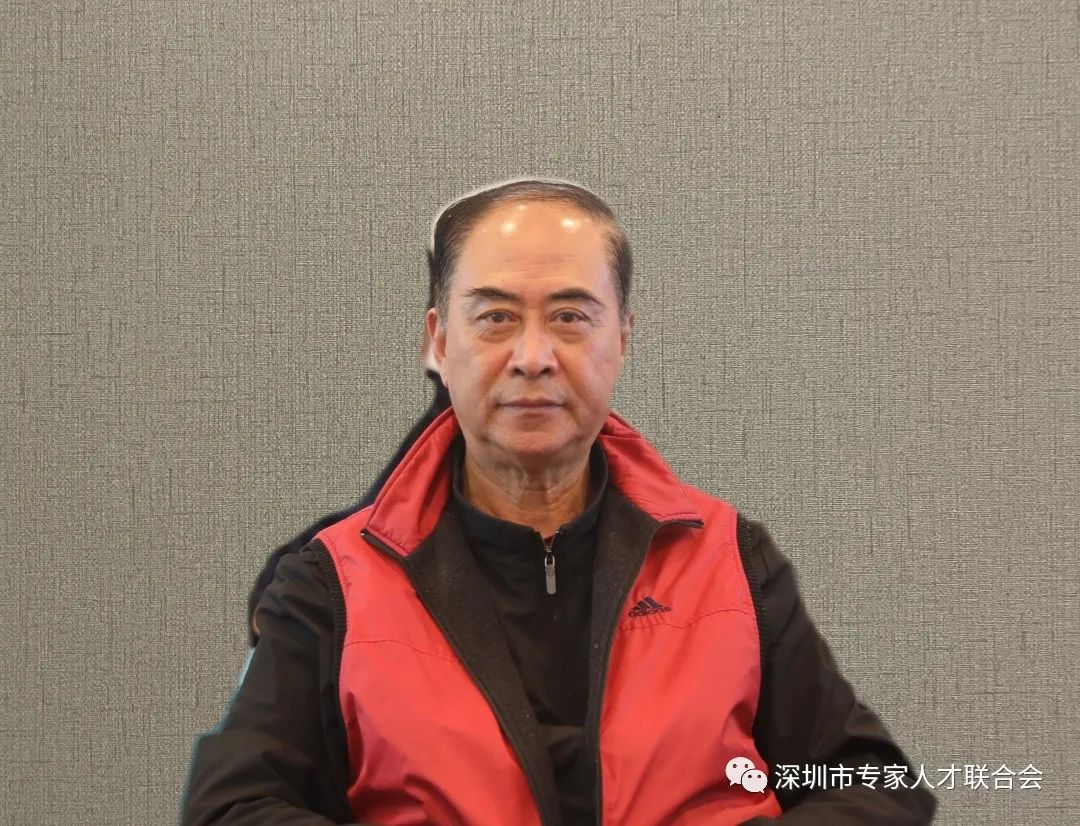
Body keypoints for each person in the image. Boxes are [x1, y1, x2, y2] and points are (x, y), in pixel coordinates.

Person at [182, 178, 937, 825]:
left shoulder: (726, 557)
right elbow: (232, 807)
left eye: (571, 317)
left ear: (624, 337)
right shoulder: (333, 583)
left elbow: (873, 785)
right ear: (438, 342)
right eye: (496, 317)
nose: (534, 357)